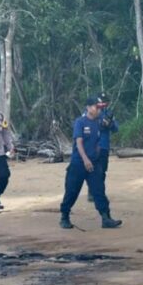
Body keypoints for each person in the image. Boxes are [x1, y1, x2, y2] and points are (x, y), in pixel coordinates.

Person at [59, 95, 123, 229]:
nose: (99, 110)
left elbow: (105, 135)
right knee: (72, 191)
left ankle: (106, 218)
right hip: (78, 163)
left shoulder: (99, 122)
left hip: (94, 162)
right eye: (96, 107)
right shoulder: (80, 122)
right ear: (88, 108)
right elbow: (79, 142)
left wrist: (96, 155)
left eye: (100, 108)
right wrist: (85, 159)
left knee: (99, 191)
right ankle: (64, 217)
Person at [86, 93, 118, 204]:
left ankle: (99, 192)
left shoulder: (109, 113)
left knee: (102, 170)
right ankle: (92, 192)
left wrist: (110, 124)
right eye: (102, 101)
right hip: (92, 146)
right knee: (92, 169)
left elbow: (116, 128)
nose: (104, 103)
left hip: (104, 146)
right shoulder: (91, 112)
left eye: (106, 101)